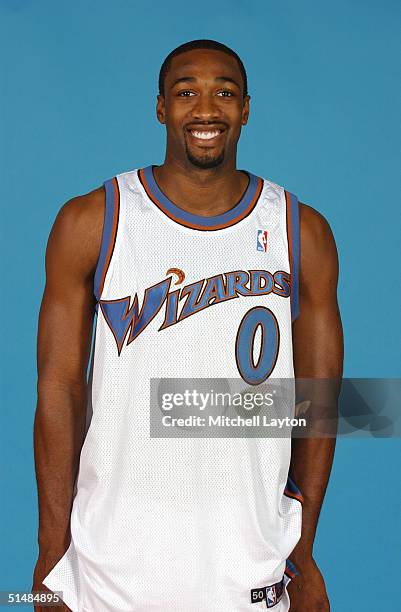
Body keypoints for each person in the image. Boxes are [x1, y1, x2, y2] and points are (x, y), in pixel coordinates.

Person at [33, 39, 343, 611]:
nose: (206, 110)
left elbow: (319, 401)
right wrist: (53, 554)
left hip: (250, 570)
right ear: (160, 107)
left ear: (246, 109)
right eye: (186, 93)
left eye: (224, 93)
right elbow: (59, 390)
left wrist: (301, 551)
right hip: (109, 573)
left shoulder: (303, 233)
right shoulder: (93, 221)